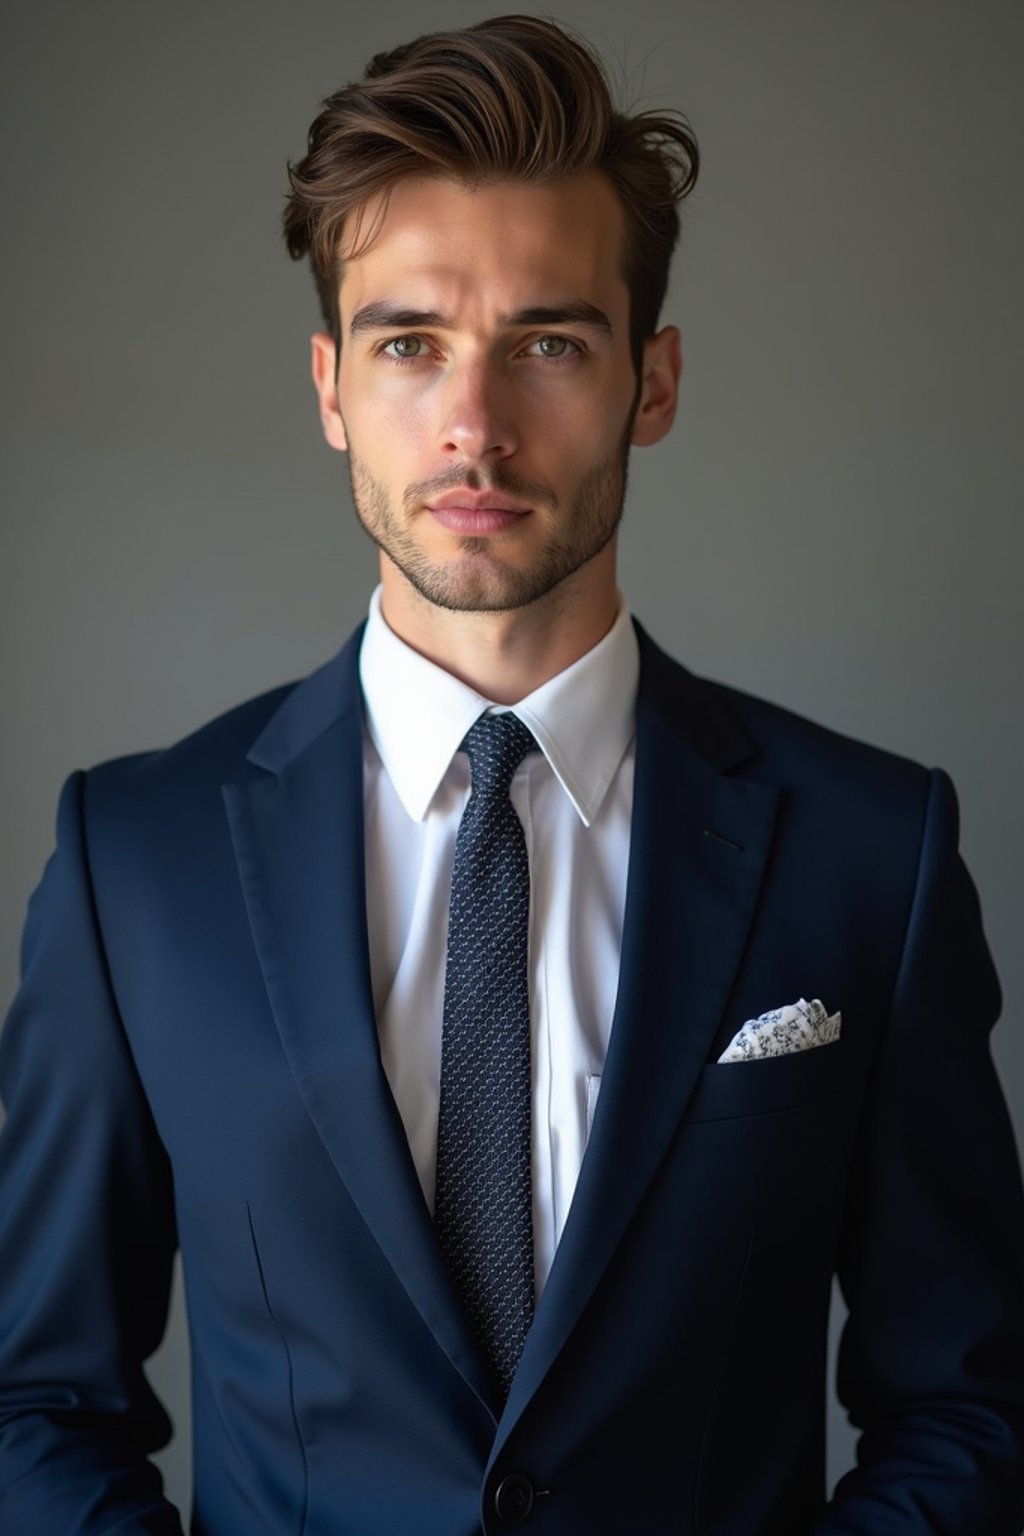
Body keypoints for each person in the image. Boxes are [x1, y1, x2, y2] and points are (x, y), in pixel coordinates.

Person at [1, 13, 1023, 1534]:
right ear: (332, 388)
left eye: (548, 342)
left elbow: (970, 1401)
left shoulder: (870, 852)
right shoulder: (130, 862)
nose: (474, 426)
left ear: (652, 383)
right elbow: (36, 1404)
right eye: (409, 343)